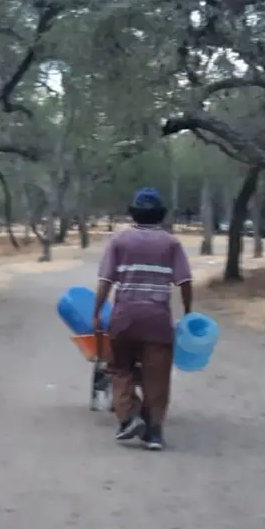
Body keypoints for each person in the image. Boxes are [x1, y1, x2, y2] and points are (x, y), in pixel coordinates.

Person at [92, 187, 193, 451]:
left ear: (133, 213)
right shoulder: (171, 243)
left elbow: (105, 281)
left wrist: (96, 311)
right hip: (157, 321)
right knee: (156, 377)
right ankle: (154, 433)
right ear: (160, 215)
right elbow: (184, 281)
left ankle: (130, 417)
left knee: (120, 369)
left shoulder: (119, 241)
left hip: (124, 318)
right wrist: (189, 312)